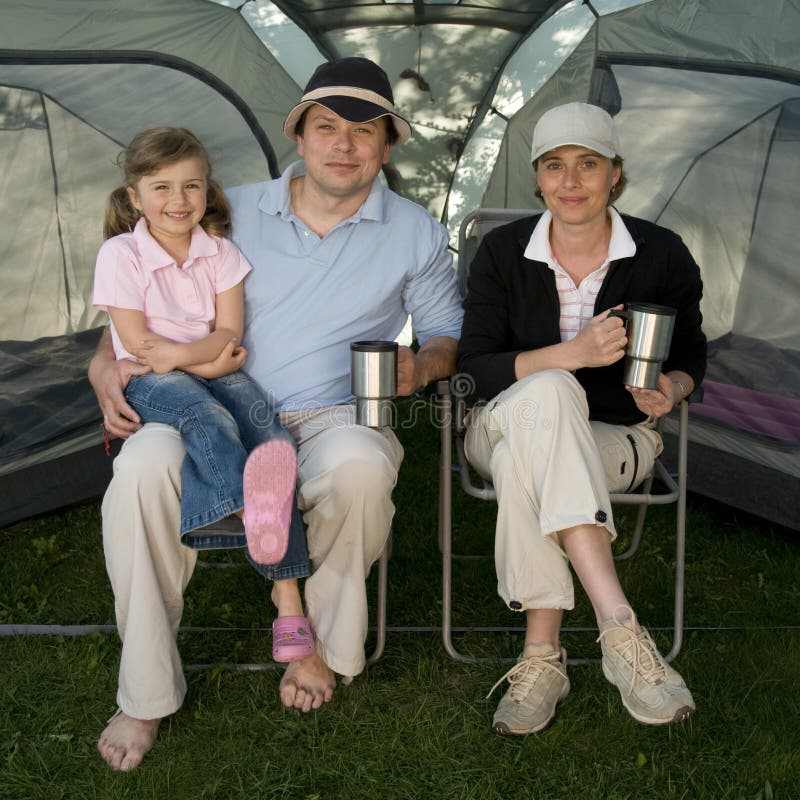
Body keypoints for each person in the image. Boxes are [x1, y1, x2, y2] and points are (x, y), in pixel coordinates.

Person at [89, 57, 464, 771]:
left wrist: (423, 364)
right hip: (213, 405)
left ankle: (316, 645)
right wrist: (105, 369)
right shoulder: (227, 210)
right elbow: (136, 309)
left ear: (388, 145)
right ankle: (144, 689)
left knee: (359, 469)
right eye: (326, 127)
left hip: (337, 413)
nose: (343, 145)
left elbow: (447, 330)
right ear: (299, 135)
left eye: (364, 131)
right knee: (139, 472)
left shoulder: (414, 230)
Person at [457, 102, 706, 735]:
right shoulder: (502, 252)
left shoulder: (662, 253)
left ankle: (542, 656)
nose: (571, 182)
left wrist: (672, 388)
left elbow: (692, 353)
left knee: (528, 460)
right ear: (537, 178)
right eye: (555, 166)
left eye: (588, 164)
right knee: (546, 397)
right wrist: (570, 357)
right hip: (499, 422)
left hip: (617, 435)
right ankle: (619, 628)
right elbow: (475, 369)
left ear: (615, 174)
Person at [92, 127, 312, 662]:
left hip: (203, 365)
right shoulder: (122, 254)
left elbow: (228, 332)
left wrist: (200, 356)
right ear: (134, 197)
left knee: (271, 435)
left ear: (207, 191)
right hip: (153, 378)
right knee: (204, 414)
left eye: (191, 186)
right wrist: (200, 358)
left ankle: (287, 597)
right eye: (161, 188)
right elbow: (143, 346)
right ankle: (243, 510)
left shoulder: (220, 253)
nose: (178, 200)